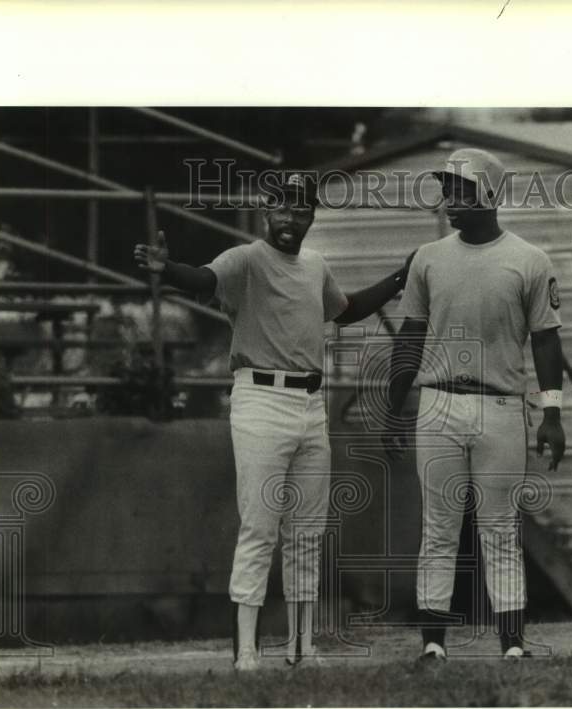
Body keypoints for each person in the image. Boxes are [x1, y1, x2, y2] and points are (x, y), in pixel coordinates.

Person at [134, 172, 410, 671]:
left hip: (310, 403)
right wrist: (168, 269)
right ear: (267, 212)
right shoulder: (246, 260)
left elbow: (344, 312)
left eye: (299, 209)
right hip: (260, 398)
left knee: (308, 530)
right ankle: (246, 650)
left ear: (310, 216)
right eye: (281, 208)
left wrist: (398, 278)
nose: (289, 218)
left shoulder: (315, 266)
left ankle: (303, 647)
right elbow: (204, 279)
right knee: (260, 525)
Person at [383, 148, 566, 661]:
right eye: (447, 189)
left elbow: (547, 341)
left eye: (461, 190)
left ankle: (512, 645)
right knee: (438, 528)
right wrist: (394, 405)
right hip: (438, 403)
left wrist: (552, 413)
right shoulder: (429, 258)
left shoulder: (529, 260)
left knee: (500, 528)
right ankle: (434, 646)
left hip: (501, 406)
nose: (449, 201)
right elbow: (410, 336)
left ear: (488, 192)